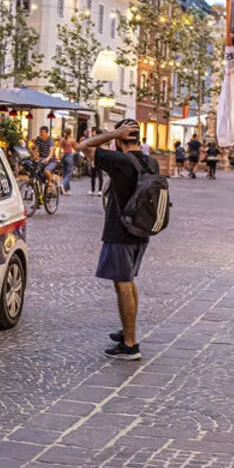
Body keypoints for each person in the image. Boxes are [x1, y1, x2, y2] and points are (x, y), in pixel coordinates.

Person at [73, 119, 156, 361]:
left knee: (122, 284)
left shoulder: (118, 161)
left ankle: (130, 344)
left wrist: (111, 134)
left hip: (120, 231)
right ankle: (127, 331)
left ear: (120, 139)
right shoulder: (150, 162)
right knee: (128, 282)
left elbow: (83, 146)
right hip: (141, 230)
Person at [32, 126, 58, 193]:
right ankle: (40, 190)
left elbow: (51, 151)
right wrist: (35, 155)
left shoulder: (50, 140)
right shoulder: (38, 139)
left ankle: (50, 184)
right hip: (42, 160)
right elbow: (35, 149)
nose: (40, 134)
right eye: (40, 132)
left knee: (46, 170)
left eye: (42, 132)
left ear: (46, 133)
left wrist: (48, 158)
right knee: (36, 172)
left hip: (51, 161)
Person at [60, 129, 77, 193]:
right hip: (69, 156)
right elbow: (76, 148)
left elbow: (60, 149)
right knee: (69, 173)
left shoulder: (62, 139)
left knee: (64, 172)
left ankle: (66, 190)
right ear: (70, 133)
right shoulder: (72, 140)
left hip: (63, 156)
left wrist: (60, 156)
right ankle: (63, 185)